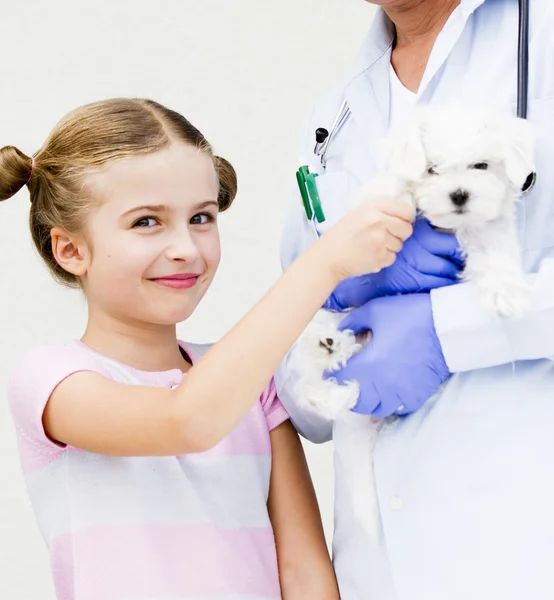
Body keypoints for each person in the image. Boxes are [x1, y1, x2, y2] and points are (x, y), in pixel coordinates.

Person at [1, 98, 415, 600]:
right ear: (70, 250)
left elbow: (305, 575)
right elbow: (187, 422)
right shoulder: (51, 380)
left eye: (201, 217)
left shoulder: (254, 386)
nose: (186, 248)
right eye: (146, 222)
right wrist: (323, 263)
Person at [275, 1, 554, 599]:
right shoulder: (334, 117)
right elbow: (294, 388)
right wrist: (331, 349)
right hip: (380, 570)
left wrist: (450, 329)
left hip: (548, 543)